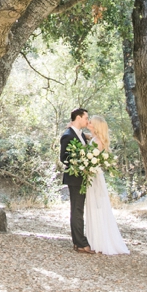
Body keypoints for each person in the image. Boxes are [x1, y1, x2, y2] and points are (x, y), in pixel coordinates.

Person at [84, 115, 130, 255]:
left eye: (90, 122)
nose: (88, 122)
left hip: (94, 175)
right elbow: (87, 137)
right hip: (93, 174)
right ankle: (93, 238)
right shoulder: (94, 139)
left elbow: (91, 158)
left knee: (97, 206)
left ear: (96, 126)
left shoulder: (97, 142)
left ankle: (99, 241)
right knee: (93, 206)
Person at [59, 108, 93, 253]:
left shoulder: (80, 135)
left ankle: (78, 241)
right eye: (86, 118)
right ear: (78, 118)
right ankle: (80, 243)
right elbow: (64, 158)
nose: (87, 121)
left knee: (79, 209)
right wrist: (81, 162)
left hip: (82, 177)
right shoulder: (67, 135)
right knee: (77, 210)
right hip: (75, 178)